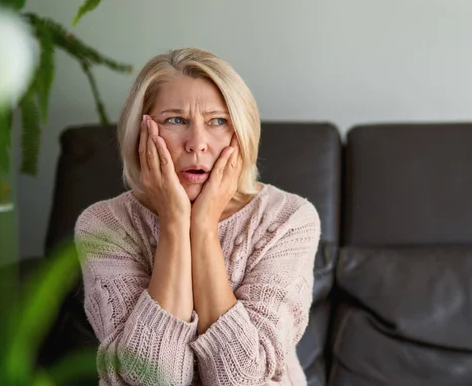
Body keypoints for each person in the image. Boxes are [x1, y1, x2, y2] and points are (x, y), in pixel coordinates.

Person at [74, 47, 321, 386]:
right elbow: (150, 380)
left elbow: (241, 379)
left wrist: (203, 228)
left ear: (241, 131)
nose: (197, 143)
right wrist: (175, 223)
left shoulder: (289, 218)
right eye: (176, 120)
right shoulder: (103, 225)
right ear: (142, 131)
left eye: (218, 121)